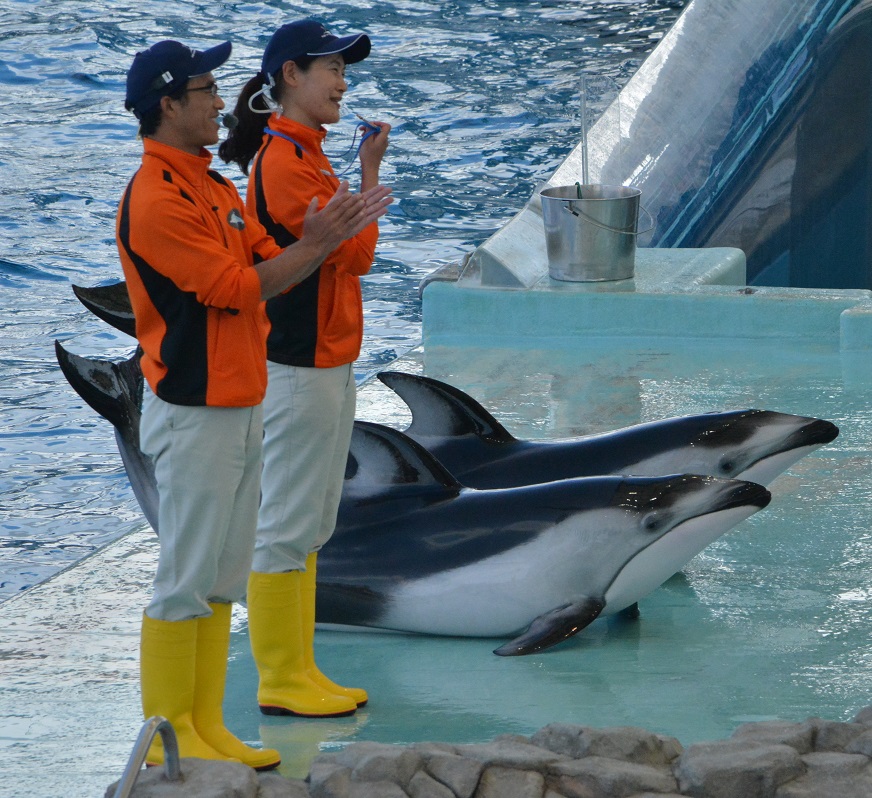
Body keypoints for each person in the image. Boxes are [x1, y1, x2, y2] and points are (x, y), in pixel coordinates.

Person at [118, 39, 391, 768]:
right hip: (194, 403)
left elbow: (269, 256)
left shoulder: (210, 187)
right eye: (204, 89)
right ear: (169, 104)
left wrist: (324, 232)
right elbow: (237, 288)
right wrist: (317, 243)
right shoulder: (155, 198)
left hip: (240, 396)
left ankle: (204, 722)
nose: (219, 99)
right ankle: (167, 737)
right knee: (186, 573)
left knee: (220, 573)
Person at [219, 20, 390, 718]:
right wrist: (370, 181)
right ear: (289, 75)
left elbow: (351, 242)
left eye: (346, 70)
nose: (343, 81)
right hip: (295, 365)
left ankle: (301, 668)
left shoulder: (308, 154)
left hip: (328, 358)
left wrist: (363, 182)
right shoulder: (285, 163)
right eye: (331, 68)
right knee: (286, 524)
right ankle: (279, 678)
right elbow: (354, 255)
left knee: (313, 523)